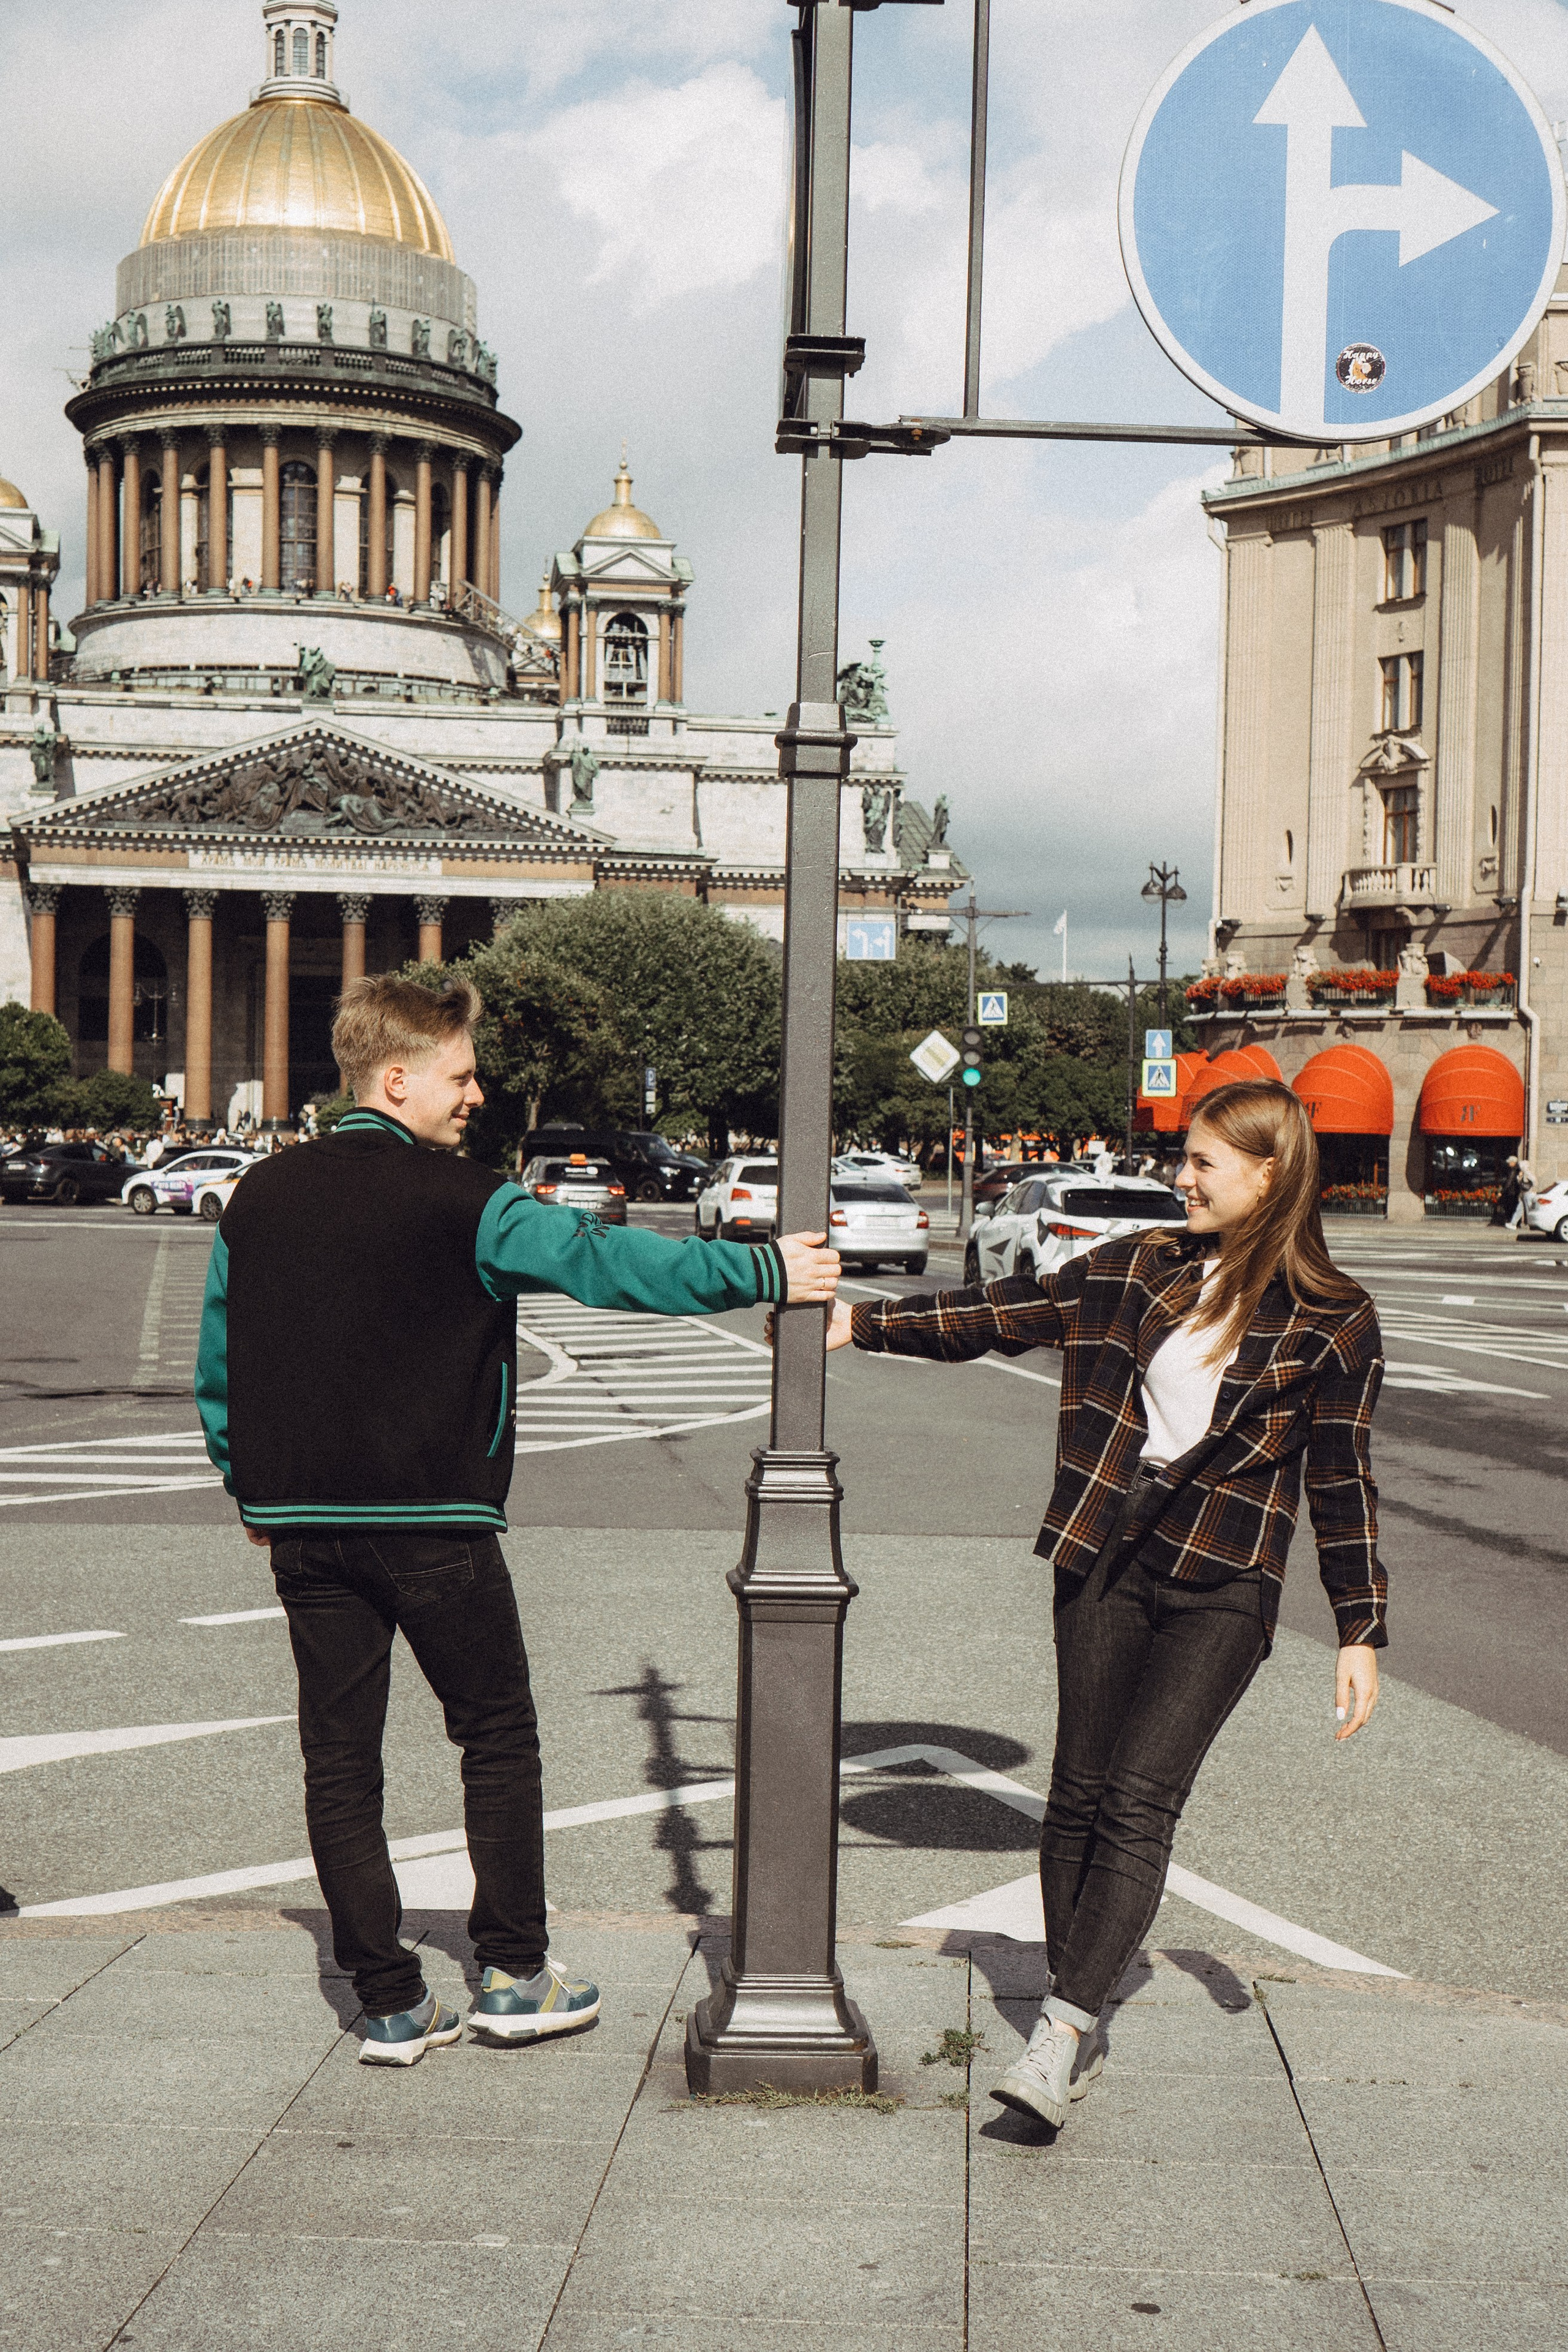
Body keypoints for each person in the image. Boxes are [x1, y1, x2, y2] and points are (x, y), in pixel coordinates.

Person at [195, 974, 840, 2066]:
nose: (476, 1094)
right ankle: (514, 1973)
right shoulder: (468, 1199)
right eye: (460, 1073)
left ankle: (390, 2002)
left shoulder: (260, 1194)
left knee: (338, 1760)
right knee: (495, 1736)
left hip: (302, 1521)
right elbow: (604, 1264)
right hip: (437, 1519)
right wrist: (764, 1269)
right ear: (396, 1080)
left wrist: (244, 1486)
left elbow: (222, 1360)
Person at [824, 1079, 1384, 2130]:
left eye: (1203, 1162)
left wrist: (1359, 1626)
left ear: (1268, 1175)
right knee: (1078, 1789)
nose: (1181, 1177)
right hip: (1106, 1557)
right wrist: (867, 1323)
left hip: (1227, 1581)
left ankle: (1063, 2030)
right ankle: (1067, 2011)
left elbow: (1342, 1480)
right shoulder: (1139, 1267)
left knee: (1138, 1798)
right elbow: (1003, 1313)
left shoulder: (1335, 1318)